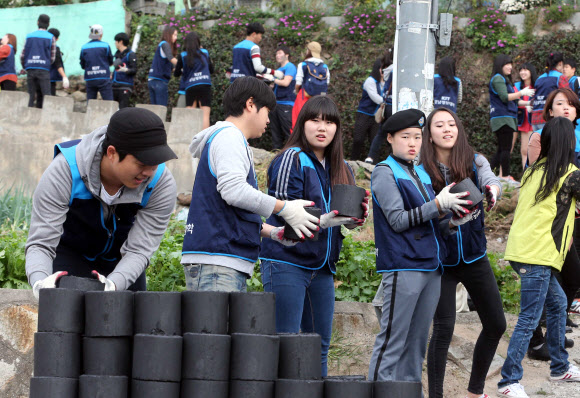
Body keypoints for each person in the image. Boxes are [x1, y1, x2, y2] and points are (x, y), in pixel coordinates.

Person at [260, 96, 368, 377]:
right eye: (315, 120)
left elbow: (343, 219)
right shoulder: (290, 158)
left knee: (319, 346)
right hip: (287, 261)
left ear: (337, 129)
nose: (322, 127)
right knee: (284, 342)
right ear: (302, 124)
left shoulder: (343, 167)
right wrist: (328, 221)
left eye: (330, 122)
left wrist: (354, 220)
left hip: (322, 268)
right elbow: (286, 214)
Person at [181, 76, 320, 293]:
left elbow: (229, 208)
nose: (268, 120)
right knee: (212, 328)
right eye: (267, 111)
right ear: (250, 104)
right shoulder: (229, 137)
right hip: (217, 262)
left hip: (221, 260)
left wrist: (273, 232)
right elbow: (234, 191)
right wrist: (285, 207)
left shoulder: (228, 138)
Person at [368, 108, 475, 383]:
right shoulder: (384, 171)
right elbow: (398, 220)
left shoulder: (422, 173)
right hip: (403, 265)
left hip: (431, 266)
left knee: (416, 347)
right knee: (392, 343)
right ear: (390, 138)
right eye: (406, 137)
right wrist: (438, 204)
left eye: (417, 136)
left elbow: (432, 224)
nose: (413, 143)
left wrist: (453, 223)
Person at [25, 108, 178, 298]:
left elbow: (139, 250)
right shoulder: (65, 171)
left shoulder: (160, 184)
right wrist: (41, 282)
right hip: (71, 254)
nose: (149, 172)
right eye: (141, 163)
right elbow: (41, 243)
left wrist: (114, 285)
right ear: (112, 153)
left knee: (127, 322)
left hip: (123, 260)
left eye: (155, 163)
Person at [421, 108, 506, 398]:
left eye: (451, 124)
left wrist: (493, 191)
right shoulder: (421, 168)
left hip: (474, 255)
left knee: (496, 323)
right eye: (439, 125)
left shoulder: (474, 159)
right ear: (429, 134)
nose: (447, 129)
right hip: (440, 261)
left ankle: (475, 391)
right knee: (443, 331)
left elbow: (490, 179)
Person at [498, 117, 580, 398]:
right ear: (571, 143)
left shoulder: (533, 171)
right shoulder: (570, 174)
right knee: (529, 318)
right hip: (538, 254)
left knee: (557, 303)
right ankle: (508, 381)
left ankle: (559, 367)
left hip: (522, 251)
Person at [524, 88, 580, 360]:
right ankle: (535, 344)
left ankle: (552, 336)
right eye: (560, 104)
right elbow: (542, 185)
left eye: (571, 104)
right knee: (543, 287)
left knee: (567, 281)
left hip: (566, 225)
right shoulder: (540, 140)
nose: (566, 108)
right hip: (544, 228)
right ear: (549, 111)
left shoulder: (575, 139)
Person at [488, 54, 534, 180]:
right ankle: (505, 177)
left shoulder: (504, 79)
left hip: (506, 117)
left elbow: (514, 101)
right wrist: (521, 93)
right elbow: (505, 97)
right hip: (502, 117)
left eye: (510, 64)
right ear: (500, 65)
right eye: (506, 64)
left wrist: (527, 104)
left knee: (501, 149)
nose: (510, 67)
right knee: (506, 149)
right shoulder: (498, 79)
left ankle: (488, 174)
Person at [174, 32, 213, 129]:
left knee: (190, 113)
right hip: (205, 84)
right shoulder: (205, 52)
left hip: (190, 86)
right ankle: (204, 141)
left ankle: (189, 138)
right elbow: (211, 70)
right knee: (205, 115)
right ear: (198, 42)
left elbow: (176, 73)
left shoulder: (183, 55)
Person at [350, 59, 384, 161]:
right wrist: (388, 102)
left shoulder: (385, 82)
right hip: (364, 114)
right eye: (382, 69)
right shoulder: (370, 81)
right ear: (377, 69)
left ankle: (374, 164)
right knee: (358, 139)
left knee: (374, 141)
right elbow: (375, 97)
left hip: (376, 116)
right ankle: (353, 161)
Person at [365, 49, 394, 164]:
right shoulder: (397, 69)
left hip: (386, 106)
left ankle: (371, 157)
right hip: (394, 106)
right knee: (397, 133)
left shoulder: (387, 70)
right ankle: (396, 160)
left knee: (381, 133)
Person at [292, 42, 329, 130]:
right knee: (316, 120)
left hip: (304, 97)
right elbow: (327, 83)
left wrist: (297, 91)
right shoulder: (325, 66)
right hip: (319, 99)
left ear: (309, 51)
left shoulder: (303, 65)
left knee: (299, 121)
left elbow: (298, 82)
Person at [20, 14, 56, 108]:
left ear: (37, 22)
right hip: (44, 69)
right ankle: (47, 118)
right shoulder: (51, 37)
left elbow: (22, 55)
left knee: (30, 95)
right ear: (48, 24)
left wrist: (25, 66)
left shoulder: (29, 36)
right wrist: (46, 63)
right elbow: (52, 57)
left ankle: (28, 117)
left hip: (30, 68)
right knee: (46, 95)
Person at [531, 52, 569, 131]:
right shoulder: (560, 77)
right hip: (551, 119)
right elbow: (568, 96)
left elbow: (533, 98)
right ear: (560, 64)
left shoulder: (539, 79)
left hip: (535, 120)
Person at [270, 45, 296, 150]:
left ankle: (293, 153)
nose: (277, 55)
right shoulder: (279, 69)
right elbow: (274, 85)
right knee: (275, 131)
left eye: (280, 53)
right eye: (276, 53)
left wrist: (272, 78)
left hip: (286, 104)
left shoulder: (290, 67)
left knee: (288, 131)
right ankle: (276, 153)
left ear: (287, 55)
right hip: (276, 103)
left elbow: (286, 83)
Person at [513, 63, 537, 170]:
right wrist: (527, 104)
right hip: (522, 120)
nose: (523, 72)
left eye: (526, 70)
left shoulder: (537, 85)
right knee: (524, 150)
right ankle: (525, 174)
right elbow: (514, 101)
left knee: (533, 149)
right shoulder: (517, 86)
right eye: (521, 70)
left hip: (534, 120)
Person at [80, 24, 114, 101]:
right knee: (109, 102)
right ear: (101, 34)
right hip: (104, 77)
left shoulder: (84, 47)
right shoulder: (106, 46)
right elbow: (111, 62)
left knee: (91, 103)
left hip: (90, 78)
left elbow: (82, 65)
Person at [148, 25, 178, 106]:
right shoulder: (165, 44)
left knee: (154, 110)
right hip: (159, 81)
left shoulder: (160, 46)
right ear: (168, 34)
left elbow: (172, 68)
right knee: (161, 109)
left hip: (152, 80)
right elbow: (171, 58)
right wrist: (185, 65)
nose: (176, 38)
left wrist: (181, 70)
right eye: (174, 35)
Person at [112, 32, 137, 109]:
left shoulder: (131, 54)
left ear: (121, 42)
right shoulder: (117, 54)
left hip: (125, 85)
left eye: (116, 41)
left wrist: (126, 70)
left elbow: (134, 70)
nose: (115, 43)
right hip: (114, 86)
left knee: (122, 109)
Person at [46, 28, 69, 96]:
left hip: (40, 77)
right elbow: (58, 64)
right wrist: (64, 76)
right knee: (50, 98)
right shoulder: (56, 48)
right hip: (50, 78)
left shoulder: (42, 46)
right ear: (57, 39)